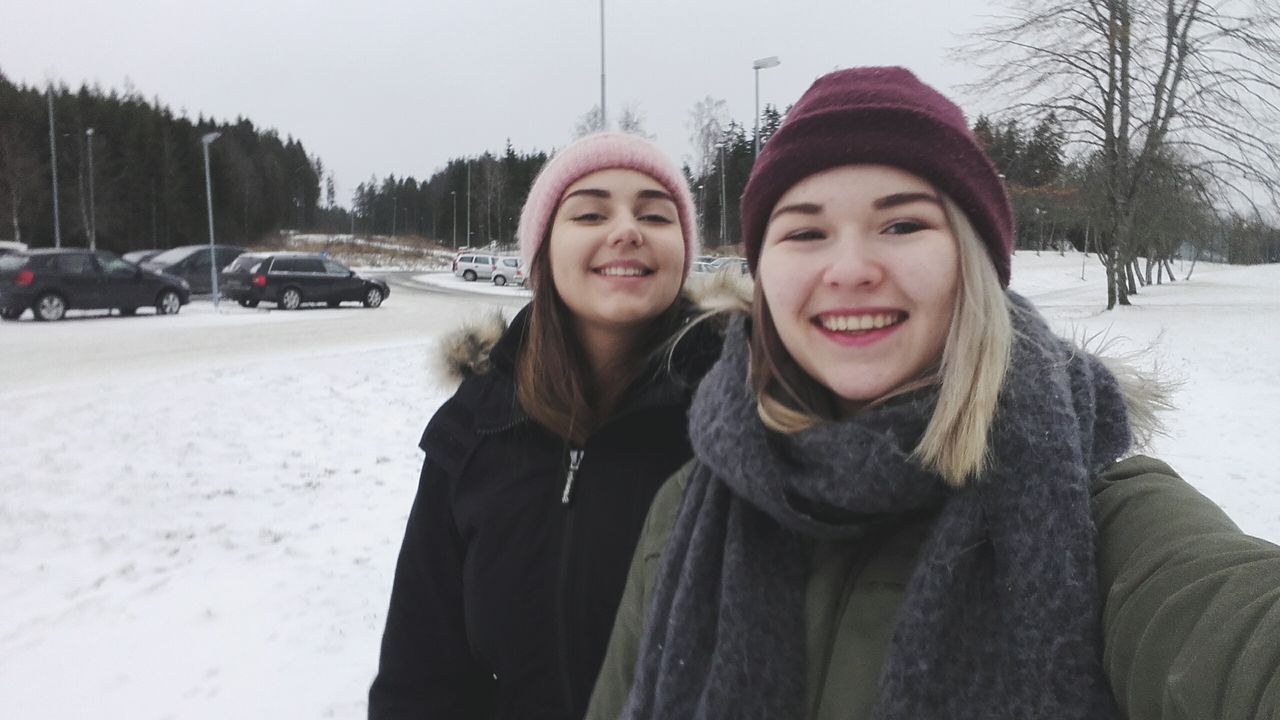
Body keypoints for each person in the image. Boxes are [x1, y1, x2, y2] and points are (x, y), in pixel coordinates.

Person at [586, 68, 1280, 720]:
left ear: (973, 263)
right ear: (763, 274)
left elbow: (1233, 625)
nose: (850, 268)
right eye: (805, 231)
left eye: (904, 224)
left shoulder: (1102, 510)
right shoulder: (686, 508)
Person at [369, 132, 721, 719]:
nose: (628, 230)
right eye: (590, 212)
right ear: (542, 254)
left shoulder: (740, 418)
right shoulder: (476, 427)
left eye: (656, 215)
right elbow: (421, 673)